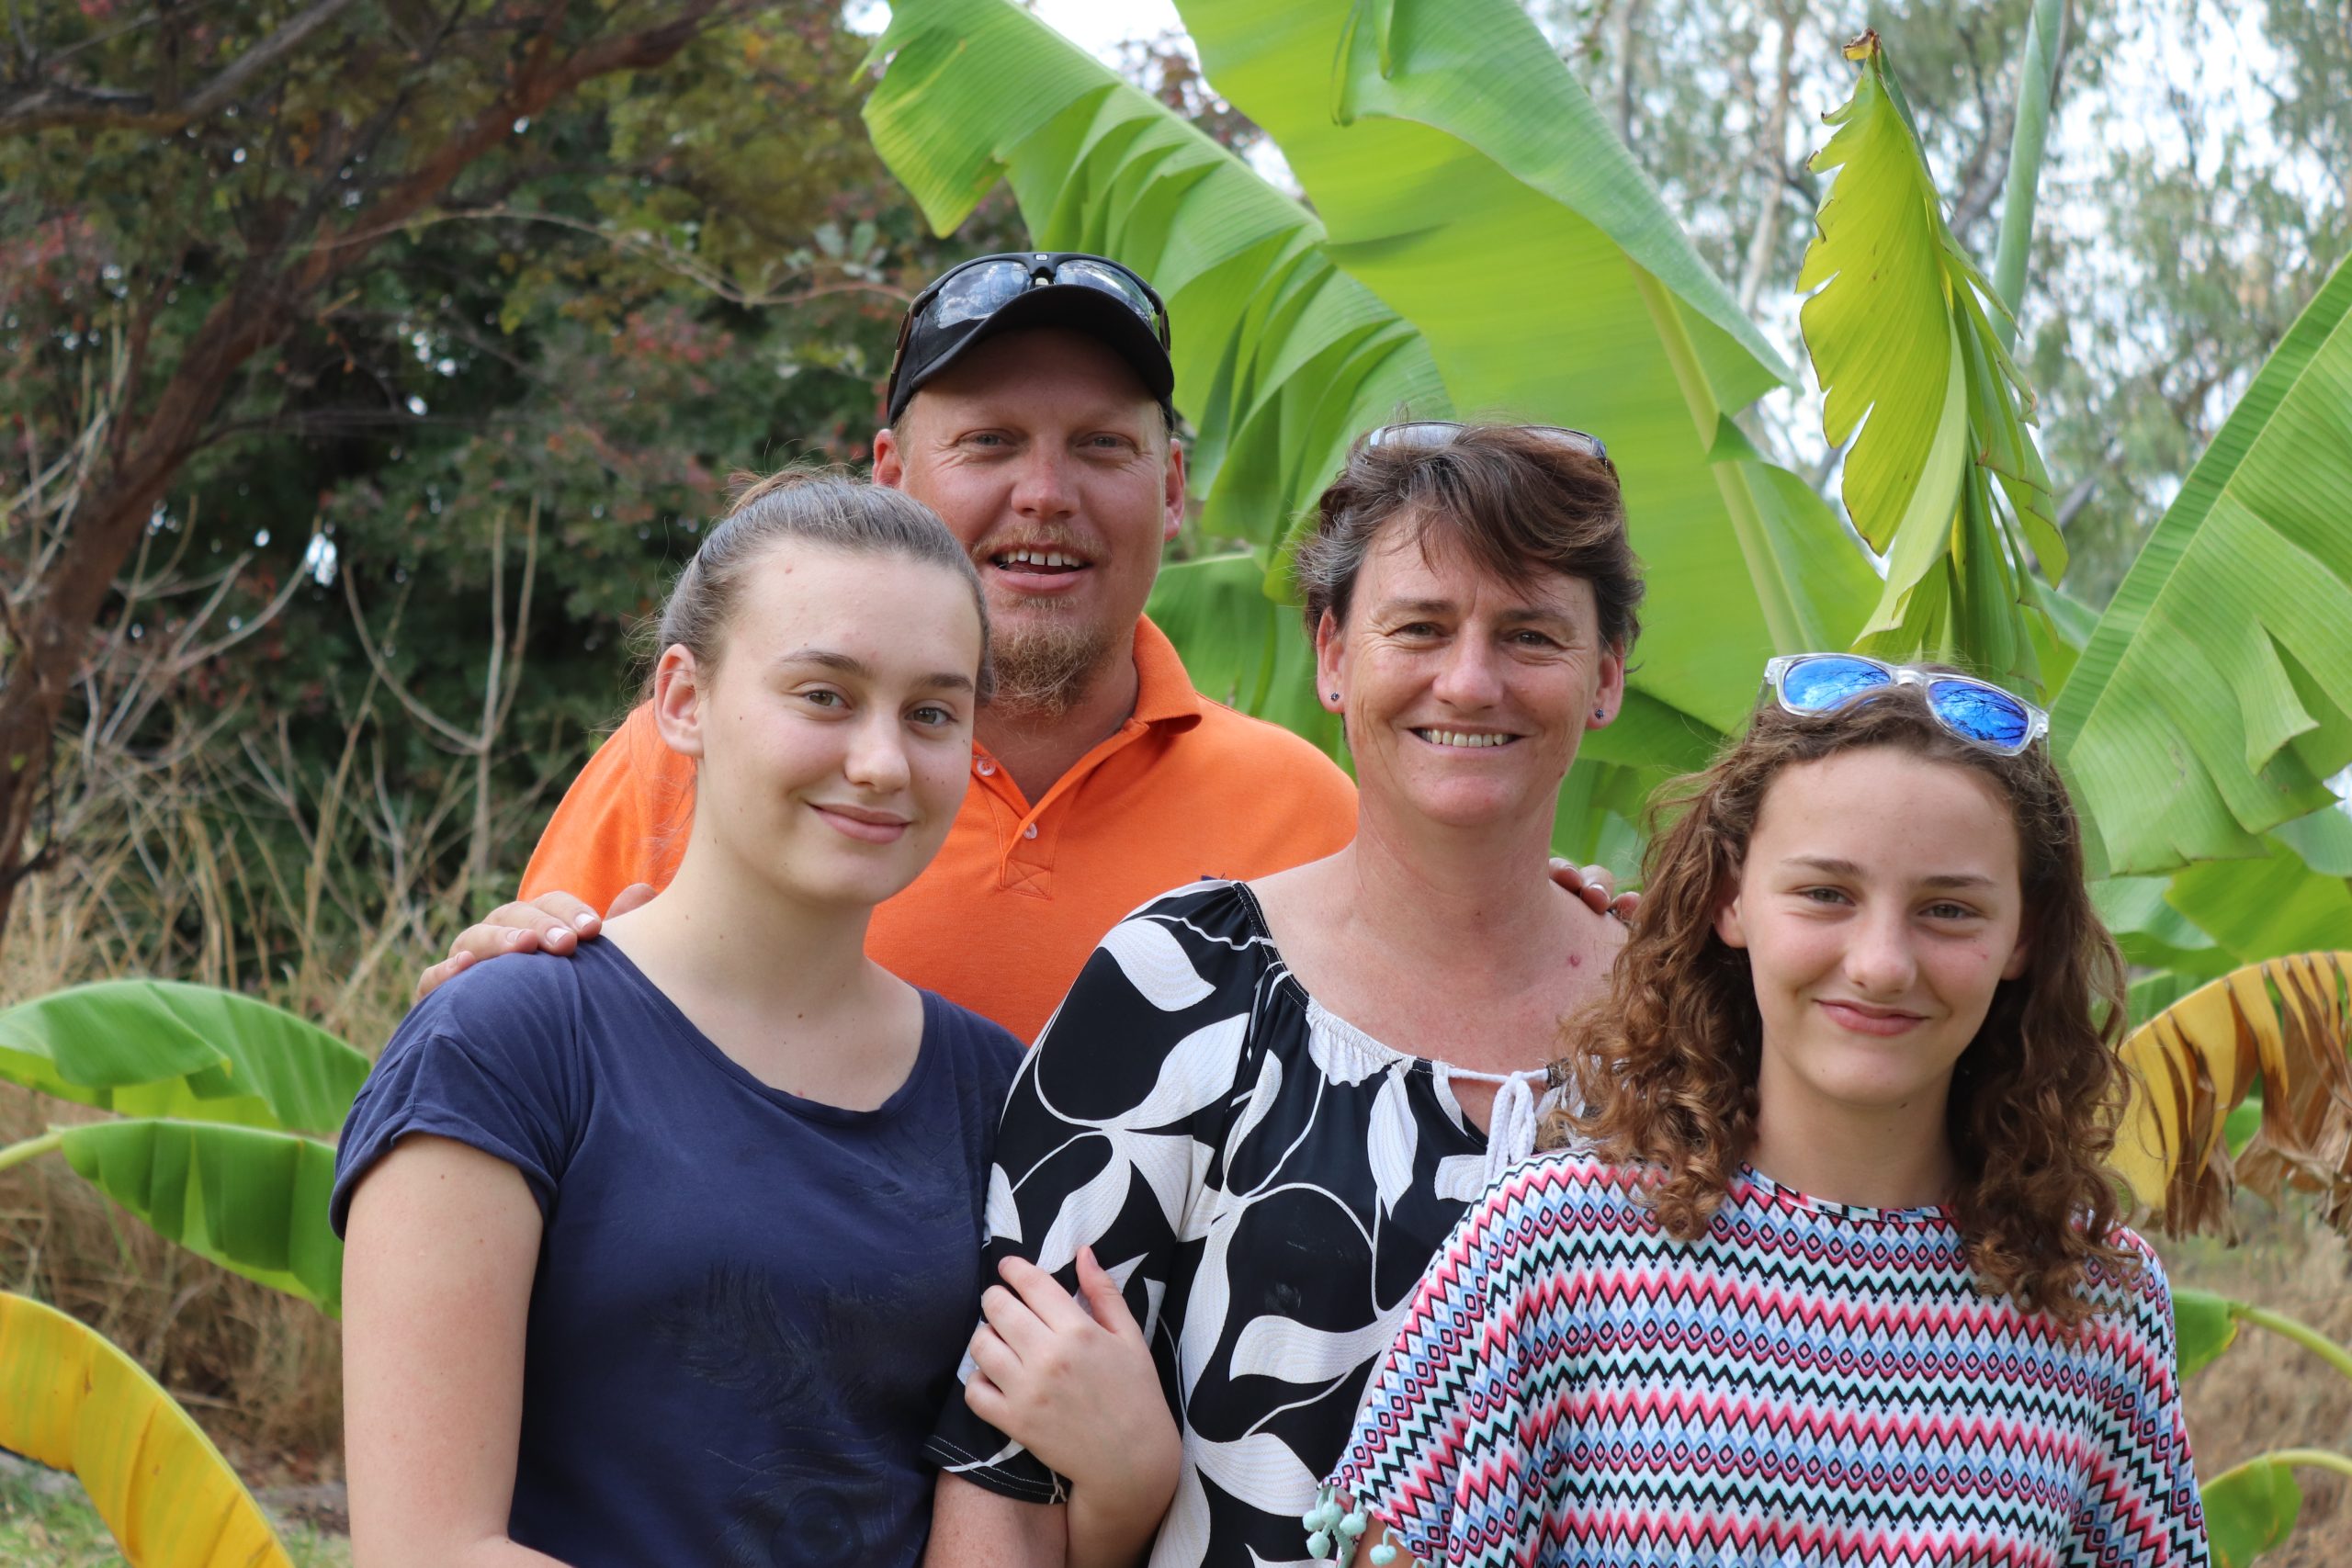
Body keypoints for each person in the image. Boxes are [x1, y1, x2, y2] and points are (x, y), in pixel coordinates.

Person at [418, 254, 1629, 1040]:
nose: (1046, 494)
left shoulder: (1302, 810)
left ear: (1171, 489)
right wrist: (499, 986)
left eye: (1100, 447)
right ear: (891, 474)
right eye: (991, 442)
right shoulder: (708, 756)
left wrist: (1559, 916)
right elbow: (527, 1064)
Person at [334, 475, 1170, 1568]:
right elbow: (426, 1549)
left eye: (930, 712)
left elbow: (1012, 1524)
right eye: (824, 695)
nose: (880, 763)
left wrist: (1132, 1476)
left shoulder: (996, 1091)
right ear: (683, 698)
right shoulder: (503, 1045)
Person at [922, 423, 1643, 1566]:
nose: (1469, 679)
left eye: (1530, 635)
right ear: (1331, 655)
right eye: (1418, 627)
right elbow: (1006, 1474)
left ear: (1603, 677)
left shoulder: (1700, 1026)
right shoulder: (1185, 984)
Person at [1316, 657, 2211, 1567]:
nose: (1880, 964)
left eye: (1947, 910)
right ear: (1728, 898)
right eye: (1826, 894)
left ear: (2022, 935)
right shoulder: (1543, 1256)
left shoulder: (2097, 1305)